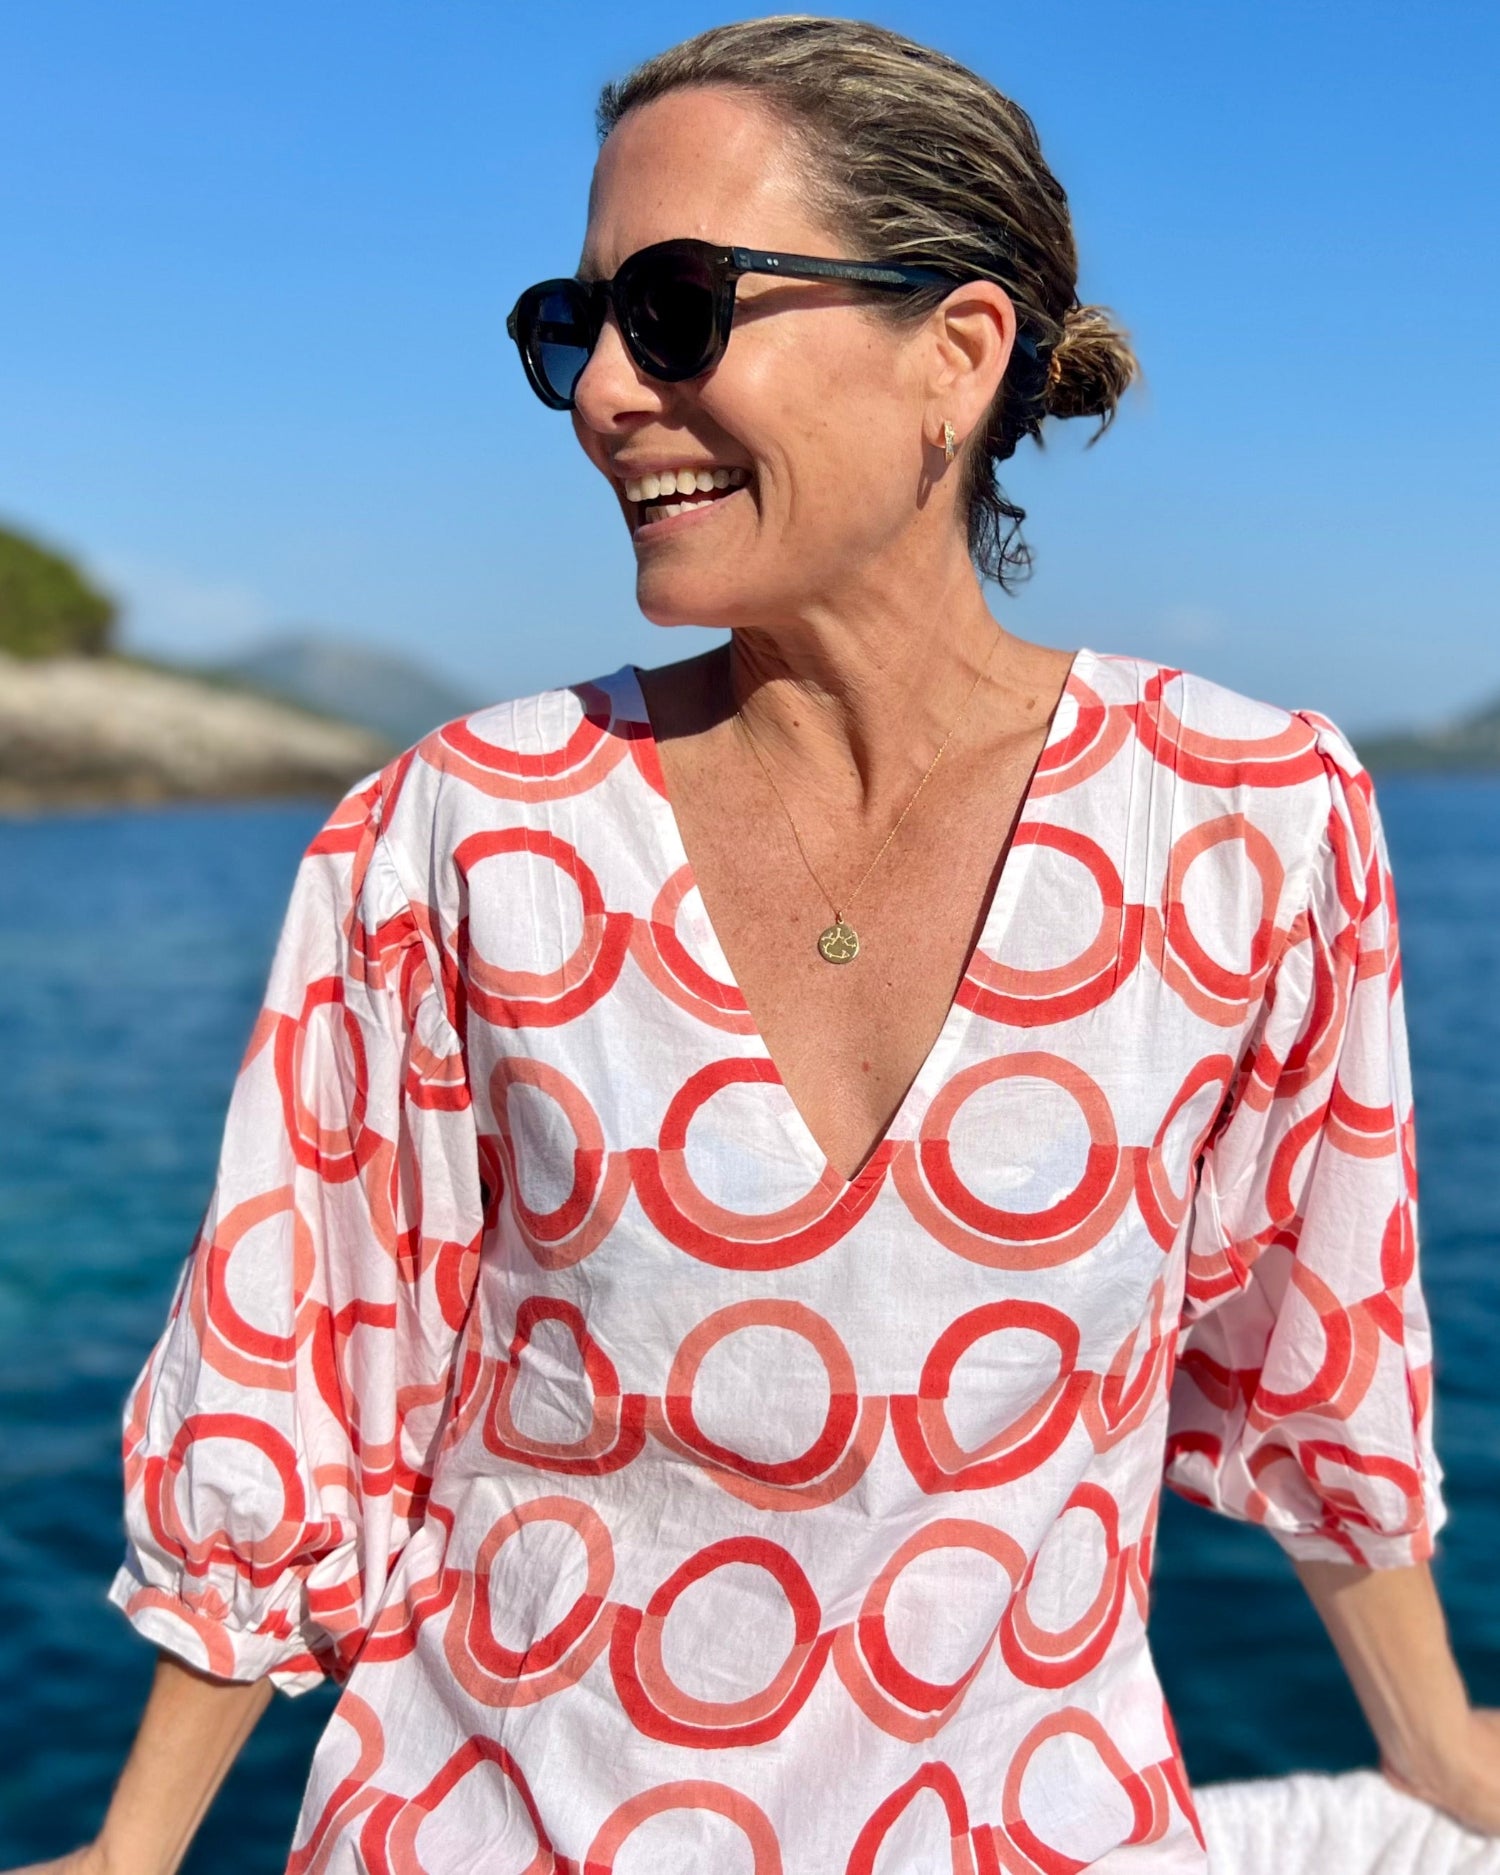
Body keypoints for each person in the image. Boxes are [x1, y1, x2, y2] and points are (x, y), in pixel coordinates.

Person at [19, 16, 1500, 1874]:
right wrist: (134, 1848)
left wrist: (1439, 1750)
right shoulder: (465, 830)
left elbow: (1319, 1348)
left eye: (681, 307)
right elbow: (306, 1366)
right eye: (574, 330)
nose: (604, 394)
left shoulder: (1254, 824)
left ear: (957, 356)